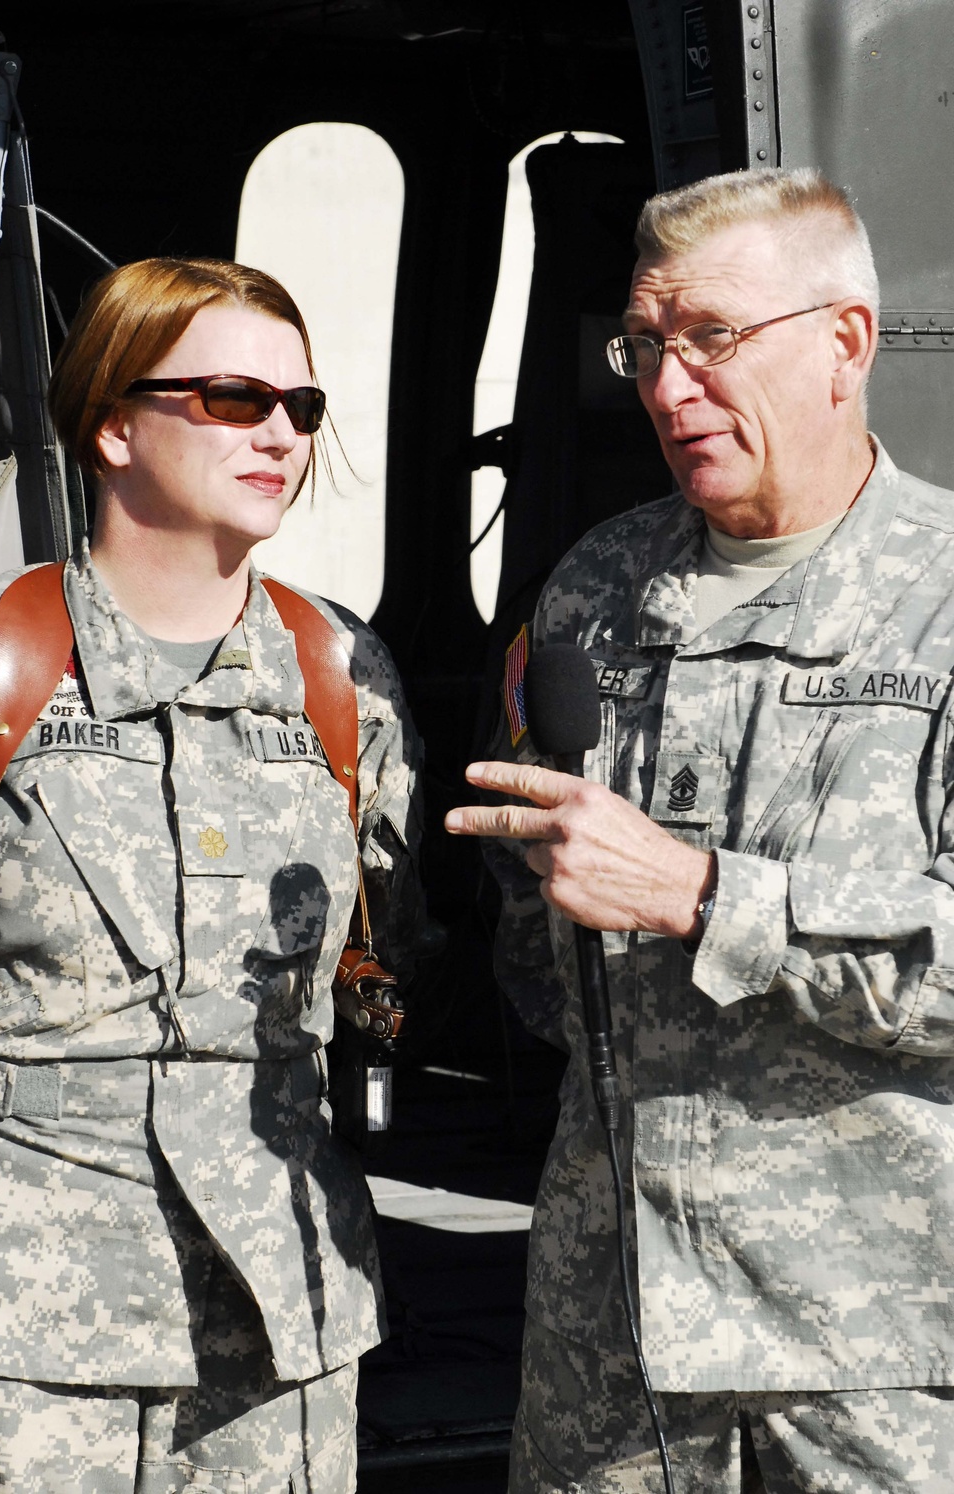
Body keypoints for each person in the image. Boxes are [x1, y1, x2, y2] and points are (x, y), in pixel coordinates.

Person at [446, 167, 954, 1492]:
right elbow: (535, 961)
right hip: (607, 1349)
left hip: (879, 1359)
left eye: (712, 339)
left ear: (844, 342)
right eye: (645, 346)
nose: (667, 390)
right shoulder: (596, 590)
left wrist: (705, 894)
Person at [0, 257, 423, 1492]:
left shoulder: (340, 675)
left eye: (301, 408)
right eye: (231, 399)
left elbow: (388, 948)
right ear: (113, 423)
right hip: (17, 1332)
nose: (279, 432)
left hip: (283, 1319)